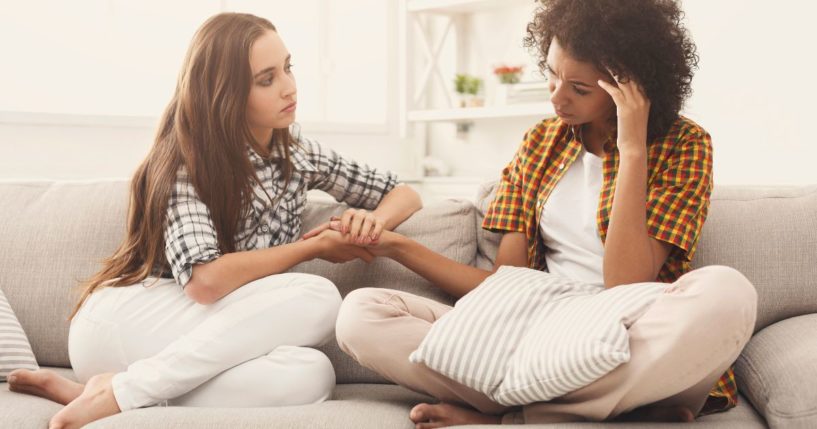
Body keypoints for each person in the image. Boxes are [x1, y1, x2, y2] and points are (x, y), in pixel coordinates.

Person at [333, 0, 757, 426]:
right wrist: (395, 246)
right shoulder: (541, 142)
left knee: (729, 292)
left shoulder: (685, 143)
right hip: (538, 328)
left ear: (630, 87)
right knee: (361, 313)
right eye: (552, 74)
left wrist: (631, 148)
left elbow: (626, 283)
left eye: (579, 88)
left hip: (631, 327)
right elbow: (504, 288)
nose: (556, 96)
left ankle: (516, 417)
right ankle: (604, 411)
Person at [6, 12, 422, 429]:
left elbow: (403, 193)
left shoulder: (298, 153)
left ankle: (110, 391)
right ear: (226, 93)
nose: (289, 87)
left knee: (311, 374)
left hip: (186, 343)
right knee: (319, 296)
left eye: (288, 68)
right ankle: (121, 392)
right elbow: (204, 282)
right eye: (267, 79)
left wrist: (374, 222)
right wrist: (314, 248)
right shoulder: (185, 161)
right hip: (125, 322)